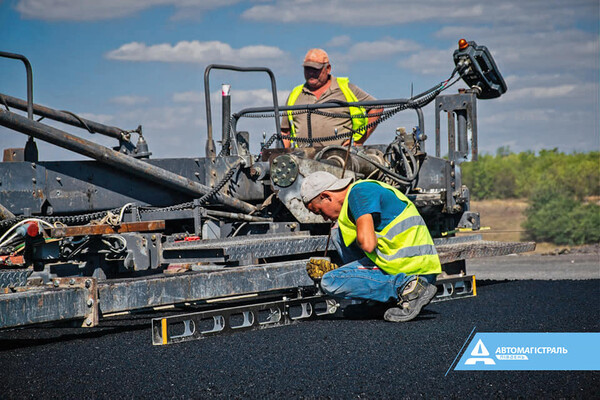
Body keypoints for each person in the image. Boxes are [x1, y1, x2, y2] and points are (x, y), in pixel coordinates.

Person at [301, 171, 442, 322]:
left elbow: (368, 244)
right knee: (338, 231)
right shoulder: (358, 195)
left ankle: (410, 289)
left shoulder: (359, 193)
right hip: (405, 266)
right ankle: (380, 302)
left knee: (329, 281)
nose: (323, 217)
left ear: (326, 196)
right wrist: (344, 270)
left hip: (413, 272)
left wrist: (339, 273)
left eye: (319, 211)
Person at [281, 48, 383, 148]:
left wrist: (358, 141)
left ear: (328, 69)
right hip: (304, 160)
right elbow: (285, 131)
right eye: (307, 69)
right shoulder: (295, 94)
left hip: (340, 159)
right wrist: (284, 156)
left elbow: (377, 107)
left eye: (315, 69)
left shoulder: (345, 89)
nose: (310, 73)